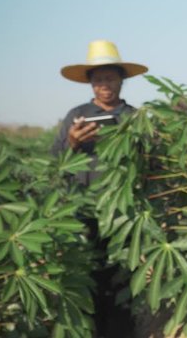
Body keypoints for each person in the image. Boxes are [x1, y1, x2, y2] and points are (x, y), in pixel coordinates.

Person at [51, 40, 148, 337]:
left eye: (109, 77)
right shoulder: (76, 115)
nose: (104, 84)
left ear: (121, 80)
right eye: (98, 79)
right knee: (88, 279)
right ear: (91, 84)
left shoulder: (134, 117)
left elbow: (149, 161)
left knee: (122, 280)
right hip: (83, 209)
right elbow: (55, 160)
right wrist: (74, 143)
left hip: (122, 212)